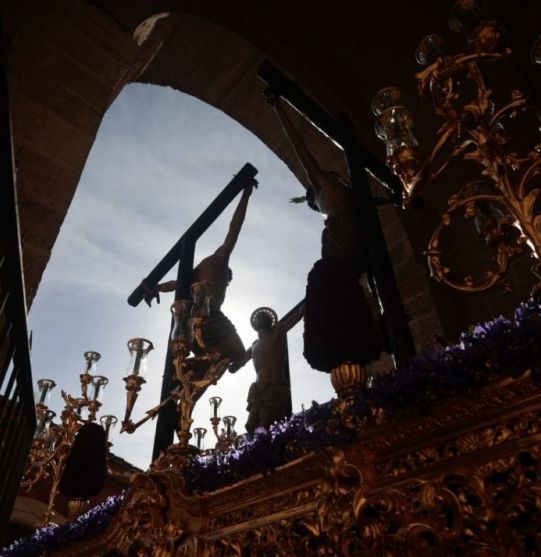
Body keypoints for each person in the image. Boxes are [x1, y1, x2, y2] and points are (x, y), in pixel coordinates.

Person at [268, 95, 382, 373]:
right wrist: (279, 107)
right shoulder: (323, 186)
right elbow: (300, 148)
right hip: (341, 239)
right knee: (339, 286)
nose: (332, 175)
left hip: (358, 235)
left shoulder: (346, 189)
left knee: (365, 290)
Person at [141, 187, 252, 364]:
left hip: (194, 319)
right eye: (228, 279)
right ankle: (206, 362)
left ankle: (208, 361)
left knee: (224, 358)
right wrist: (246, 196)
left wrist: (157, 288)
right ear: (226, 272)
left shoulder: (197, 272)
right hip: (204, 317)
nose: (228, 282)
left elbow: (176, 284)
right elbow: (234, 228)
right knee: (238, 355)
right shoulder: (220, 259)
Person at [241, 304, 304, 433]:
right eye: (258, 317)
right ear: (254, 323)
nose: (261, 318)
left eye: (264, 316)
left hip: (275, 388)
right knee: (250, 426)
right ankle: (254, 451)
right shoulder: (254, 345)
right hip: (257, 391)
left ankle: (268, 450)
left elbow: (297, 315)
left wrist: (311, 297)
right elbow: (237, 360)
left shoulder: (278, 331)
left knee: (266, 427)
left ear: (270, 321)